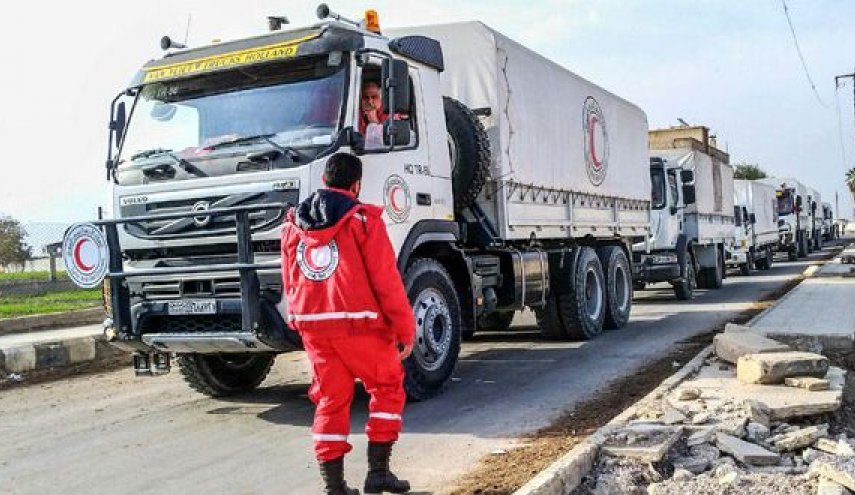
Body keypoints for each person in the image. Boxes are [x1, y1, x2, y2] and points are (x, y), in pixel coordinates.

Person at [281, 152, 415, 495]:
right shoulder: (363, 220)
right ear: (356, 185)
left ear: (324, 181)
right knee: (386, 388)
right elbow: (386, 281)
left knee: (330, 400)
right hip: (361, 327)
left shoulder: (292, 225)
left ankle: (335, 487)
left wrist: (300, 321)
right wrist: (405, 329)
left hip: (316, 328)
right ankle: (378, 474)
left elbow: (288, 279)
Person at [359, 80, 388, 148]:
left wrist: (375, 123)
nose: (370, 101)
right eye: (366, 97)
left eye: (374, 97)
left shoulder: (390, 116)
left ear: (381, 98)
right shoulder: (354, 116)